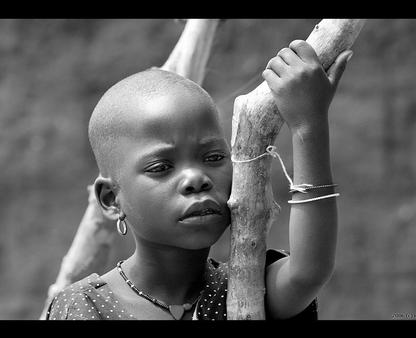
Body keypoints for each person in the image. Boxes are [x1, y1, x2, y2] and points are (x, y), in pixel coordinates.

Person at [45, 39, 352, 320]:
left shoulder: (247, 287)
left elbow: (307, 272)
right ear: (112, 200)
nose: (196, 178)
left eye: (214, 158)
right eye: (161, 167)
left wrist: (308, 126)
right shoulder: (82, 308)